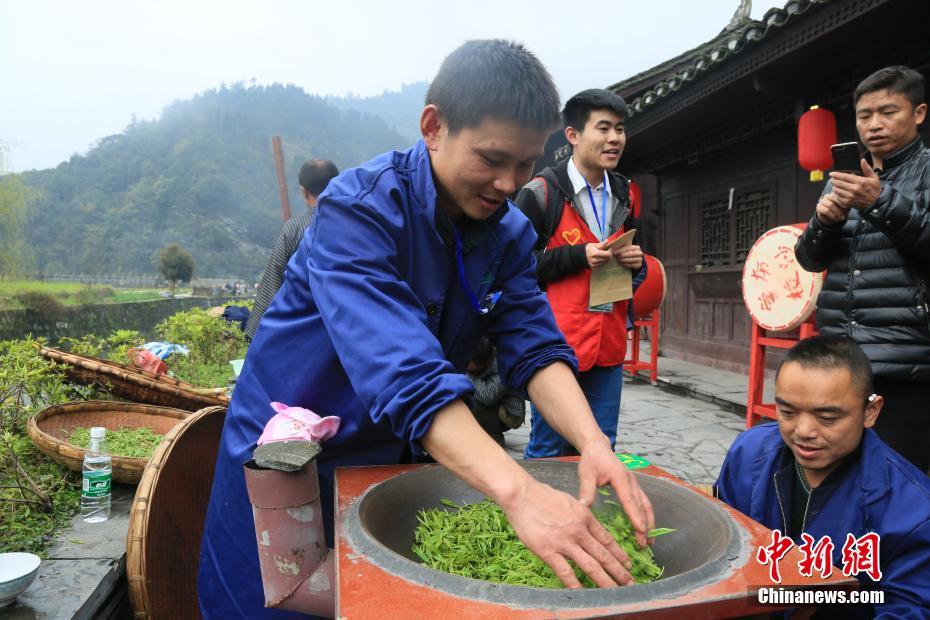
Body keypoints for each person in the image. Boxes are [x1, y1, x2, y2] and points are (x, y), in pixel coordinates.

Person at [198, 40, 654, 619]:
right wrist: (520, 493)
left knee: (380, 598)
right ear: (434, 127)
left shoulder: (508, 233)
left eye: (524, 164)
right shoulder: (358, 211)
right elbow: (407, 374)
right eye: (492, 159)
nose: (509, 183)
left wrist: (593, 444)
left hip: (392, 456)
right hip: (289, 458)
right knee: (279, 604)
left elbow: (535, 347)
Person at [715, 335, 930, 616]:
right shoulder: (748, 453)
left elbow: (910, 605)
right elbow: (722, 546)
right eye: (788, 412)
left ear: (871, 411)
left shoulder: (913, 508)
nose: (803, 431)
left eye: (827, 418)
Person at [795, 66, 930, 473]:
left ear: (919, 113)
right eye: (864, 115)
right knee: (840, 474)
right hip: (842, 356)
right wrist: (825, 221)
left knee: (902, 479)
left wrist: (880, 200)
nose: (874, 125)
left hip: (906, 358)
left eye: (888, 112)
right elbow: (810, 259)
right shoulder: (844, 178)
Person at [515, 89, 644, 458]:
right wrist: (576, 256)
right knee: (550, 449)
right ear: (573, 135)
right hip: (555, 347)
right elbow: (516, 270)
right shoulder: (541, 193)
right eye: (603, 128)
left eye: (619, 129)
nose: (615, 139)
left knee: (602, 447)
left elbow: (637, 263)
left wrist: (639, 262)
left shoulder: (625, 193)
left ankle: (591, 518)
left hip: (609, 343)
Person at [244, 159, 340, 340]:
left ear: (304, 192)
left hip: (304, 330)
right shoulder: (358, 226)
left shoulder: (294, 229)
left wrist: (253, 336)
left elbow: (272, 285)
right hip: (348, 329)